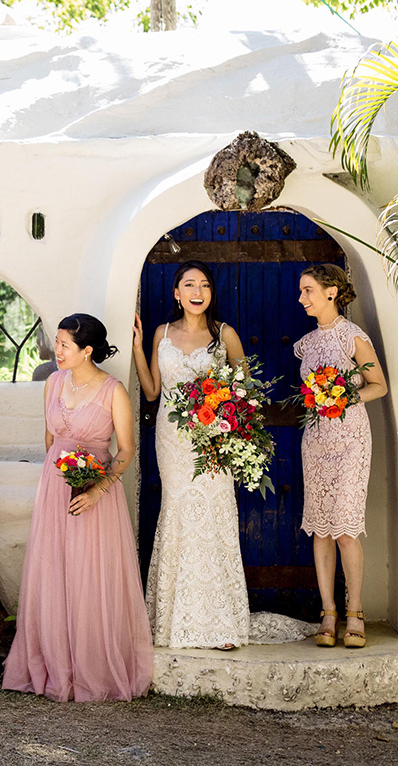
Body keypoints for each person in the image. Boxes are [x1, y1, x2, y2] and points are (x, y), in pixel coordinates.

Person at [3, 314, 153, 701]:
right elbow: (50, 440)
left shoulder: (113, 391)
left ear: (87, 350)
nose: (57, 350)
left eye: (65, 344)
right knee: (54, 570)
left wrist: (97, 489)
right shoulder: (53, 382)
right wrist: (56, 481)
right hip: (55, 489)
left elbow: (126, 450)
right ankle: (55, 662)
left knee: (90, 574)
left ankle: (90, 666)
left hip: (95, 494)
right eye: (56, 342)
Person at [131, 260, 250, 650]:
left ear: (211, 293)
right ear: (176, 293)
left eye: (204, 285)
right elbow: (152, 392)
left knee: (213, 514)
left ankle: (219, 621)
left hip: (211, 439)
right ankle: (173, 618)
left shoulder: (225, 335)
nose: (197, 292)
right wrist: (137, 347)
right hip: (172, 439)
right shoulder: (162, 333)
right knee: (178, 512)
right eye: (189, 285)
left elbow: (244, 392)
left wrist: (219, 411)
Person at [295, 264, 387, 649]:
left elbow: (378, 385)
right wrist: (319, 399)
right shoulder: (304, 344)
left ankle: (355, 611)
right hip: (315, 440)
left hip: (351, 440)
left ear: (331, 292)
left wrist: (343, 398)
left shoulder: (354, 338)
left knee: (346, 531)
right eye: (302, 291)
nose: (302, 298)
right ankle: (328, 612)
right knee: (321, 529)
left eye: (308, 290)